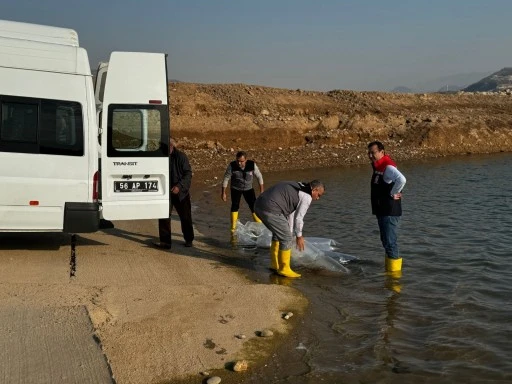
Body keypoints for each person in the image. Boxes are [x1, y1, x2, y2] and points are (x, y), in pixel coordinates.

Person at [254, 180, 325, 278]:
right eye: (319, 195)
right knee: (286, 238)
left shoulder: (299, 186)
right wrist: (299, 236)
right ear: (315, 189)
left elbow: (290, 212)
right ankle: (284, 269)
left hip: (258, 205)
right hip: (270, 209)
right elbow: (299, 218)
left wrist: (290, 232)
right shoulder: (307, 197)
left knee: (279, 234)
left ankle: (274, 265)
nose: (317, 198)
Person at [367, 141, 406, 273]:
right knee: (385, 241)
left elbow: (402, 179)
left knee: (390, 242)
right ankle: (389, 272)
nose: (370, 155)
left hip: (389, 211)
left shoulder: (388, 167)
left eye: (373, 152)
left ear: (382, 152)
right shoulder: (378, 166)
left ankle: (394, 279)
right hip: (382, 210)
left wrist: (393, 192)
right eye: (369, 153)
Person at [154, 139, 194, 249]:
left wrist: (179, 186)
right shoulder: (160, 156)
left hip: (181, 193)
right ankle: (165, 242)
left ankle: (189, 239)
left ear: (171, 146)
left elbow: (188, 174)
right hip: (165, 192)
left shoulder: (181, 157)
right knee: (163, 216)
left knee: (185, 217)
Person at [221, 151, 264, 234]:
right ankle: (233, 227)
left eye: (241, 161)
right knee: (235, 205)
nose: (239, 163)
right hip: (235, 189)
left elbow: (259, 176)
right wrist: (223, 193)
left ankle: (260, 224)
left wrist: (261, 190)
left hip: (248, 189)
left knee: (253, 206)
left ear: (246, 160)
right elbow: (226, 178)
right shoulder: (232, 166)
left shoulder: (252, 165)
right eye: (237, 161)